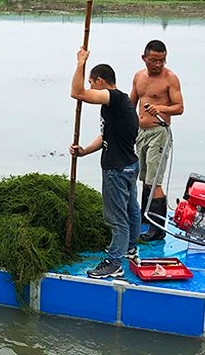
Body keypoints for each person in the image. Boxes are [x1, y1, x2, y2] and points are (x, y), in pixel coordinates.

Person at [69, 47, 141, 279]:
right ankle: (129, 248)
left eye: (92, 83)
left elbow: (77, 92)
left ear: (100, 81)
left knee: (116, 217)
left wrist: (80, 62)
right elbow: (108, 136)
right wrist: (85, 151)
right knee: (131, 210)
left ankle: (114, 262)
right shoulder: (121, 106)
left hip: (117, 170)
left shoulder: (115, 98)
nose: (91, 87)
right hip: (129, 165)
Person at [130, 40, 184, 242]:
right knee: (144, 176)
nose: (158, 64)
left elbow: (179, 107)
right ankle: (145, 217)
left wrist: (160, 108)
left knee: (155, 180)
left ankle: (158, 228)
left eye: (162, 60)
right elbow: (131, 102)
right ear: (144, 58)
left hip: (159, 132)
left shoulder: (170, 79)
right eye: (154, 60)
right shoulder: (138, 76)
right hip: (140, 133)